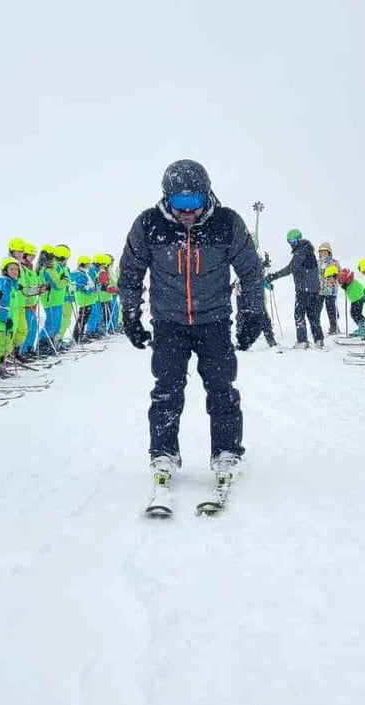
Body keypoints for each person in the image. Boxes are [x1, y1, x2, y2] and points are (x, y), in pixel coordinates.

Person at [118, 159, 264, 502]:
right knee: (166, 391)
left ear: (207, 194)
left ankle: (226, 451)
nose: (187, 212)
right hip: (168, 323)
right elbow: (130, 272)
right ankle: (164, 453)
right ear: (166, 199)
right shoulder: (149, 225)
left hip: (214, 322)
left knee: (222, 389)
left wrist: (251, 314)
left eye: (194, 203)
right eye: (179, 204)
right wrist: (129, 313)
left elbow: (251, 272)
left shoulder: (227, 223)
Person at [266, 229, 323, 348]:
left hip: (304, 289)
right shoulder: (307, 250)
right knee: (312, 315)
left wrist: (274, 276)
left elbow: (291, 267)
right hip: (313, 289)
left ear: (299, 238)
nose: (291, 243)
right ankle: (319, 340)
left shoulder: (301, 251)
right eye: (289, 241)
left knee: (299, 314)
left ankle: (302, 341)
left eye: (293, 240)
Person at [333, 265, 365, 338]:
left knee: (356, 314)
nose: (329, 281)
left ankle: (363, 329)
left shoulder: (340, 277)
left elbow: (344, 281)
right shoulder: (339, 277)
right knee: (355, 313)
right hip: (356, 295)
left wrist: (343, 284)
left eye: (329, 278)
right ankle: (363, 328)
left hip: (357, 296)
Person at [317, 241, 340, 334]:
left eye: (325, 252)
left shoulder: (334, 262)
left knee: (331, 309)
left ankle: (333, 327)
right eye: (321, 252)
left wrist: (335, 278)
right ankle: (316, 327)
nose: (323, 254)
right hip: (319, 290)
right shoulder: (317, 263)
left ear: (329, 252)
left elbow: (339, 274)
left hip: (331, 290)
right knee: (316, 310)